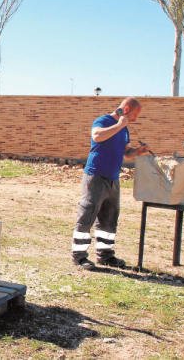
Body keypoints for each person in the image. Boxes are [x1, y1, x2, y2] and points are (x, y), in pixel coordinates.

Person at [72, 97, 149, 270]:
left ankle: (105, 255)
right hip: (96, 176)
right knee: (87, 214)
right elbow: (97, 136)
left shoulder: (125, 129)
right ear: (127, 109)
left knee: (109, 218)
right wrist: (119, 125)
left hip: (113, 178)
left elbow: (126, 153)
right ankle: (79, 256)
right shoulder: (103, 120)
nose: (135, 119)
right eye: (135, 114)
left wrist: (138, 151)